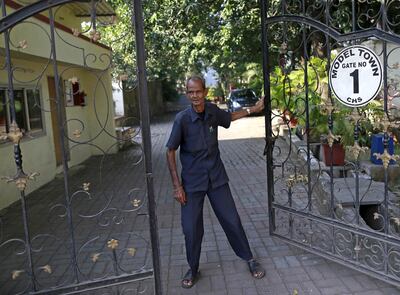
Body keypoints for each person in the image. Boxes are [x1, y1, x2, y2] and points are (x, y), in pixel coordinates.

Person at [166, 75, 265, 289]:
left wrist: (253, 110)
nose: (195, 96)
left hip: (216, 178)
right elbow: (170, 151)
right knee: (191, 229)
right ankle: (193, 268)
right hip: (191, 183)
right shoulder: (182, 119)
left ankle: (249, 258)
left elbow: (230, 117)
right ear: (187, 93)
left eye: (198, 91)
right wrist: (177, 186)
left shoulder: (212, 112)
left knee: (232, 219)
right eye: (190, 92)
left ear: (205, 92)